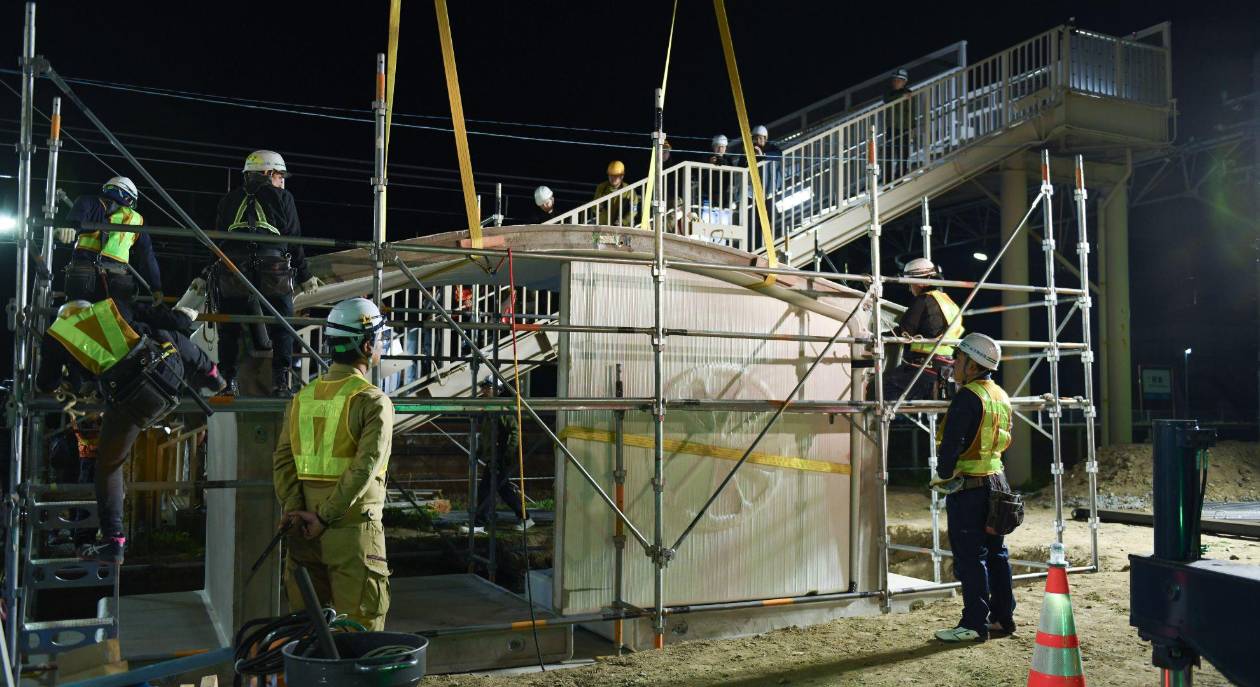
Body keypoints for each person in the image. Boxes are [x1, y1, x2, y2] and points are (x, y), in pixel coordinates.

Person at [35, 298, 226, 565]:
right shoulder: (114, 306)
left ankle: (114, 542)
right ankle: (213, 374)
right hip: (168, 375)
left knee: (109, 466)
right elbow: (167, 320)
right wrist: (186, 317)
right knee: (164, 335)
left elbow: (46, 382)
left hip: (133, 401)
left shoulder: (57, 336)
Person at [272, 297, 394, 631]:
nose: (381, 345)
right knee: (357, 634)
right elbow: (363, 469)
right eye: (380, 339)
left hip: (302, 531)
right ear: (367, 345)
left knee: (311, 636)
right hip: (351, 533)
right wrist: (324, 517)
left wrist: (297, 509)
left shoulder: (303, 397)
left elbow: (283, 460)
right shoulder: (372, 401)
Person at [214, 150, 322, 397]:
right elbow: (293, 239)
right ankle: (281, 383)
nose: (282, 181)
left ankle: (227, 382)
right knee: (282, 323)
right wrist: (305, 275)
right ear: (266, 173)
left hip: (233, 270)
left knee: (229, 327)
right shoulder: (283, 198)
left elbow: (217, 242)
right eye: (279, 175)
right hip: (273, 269)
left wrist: (203, 274)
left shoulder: (228, 200)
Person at [931, 332, 1015, 643]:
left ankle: (974, 624)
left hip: (971, 489)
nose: (954, 364)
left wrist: (943, 473)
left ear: (973, 364)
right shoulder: (1000, 394)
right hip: (998, 482)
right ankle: (1002, 619)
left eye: (958, 359)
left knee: (970, 557)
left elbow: (952, 443)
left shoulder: (968, 397)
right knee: (997, 554)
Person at [60, 176, 162, 306]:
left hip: (84, 273)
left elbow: (75, 221)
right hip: (117, 280)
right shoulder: (136, 220)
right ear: (128, 197)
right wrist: (156, 287)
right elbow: (147, 256)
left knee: (77, 318)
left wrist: (70, 229)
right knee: (115, 321)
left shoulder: (88, 202)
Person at [882, 258, 963, 401]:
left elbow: (904, 333)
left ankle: (879, 422)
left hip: (924, 369)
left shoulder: (923, 300)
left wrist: (877, 337)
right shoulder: (949, 302)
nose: (909, 288)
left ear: (919, 282)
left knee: (881, 386)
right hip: (946, 371)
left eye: (910, 284)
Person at [463, 378, 532, 534]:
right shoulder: (490, 408)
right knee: (504, 490)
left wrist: (508, 453)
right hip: (494, 456)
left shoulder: (501, 408)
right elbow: (487, 435)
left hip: (499, 456)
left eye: (487, 388)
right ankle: (525, 517)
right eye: (483, 388)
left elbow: (515, 431)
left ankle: (480, 522)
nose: (483, 391)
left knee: (486, 490)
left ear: (497, 389)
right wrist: (480, 451)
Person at [881, 69, 917, 177]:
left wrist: (913, 127)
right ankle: (887, 180)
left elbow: (911, 112)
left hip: (905, 128)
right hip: (892, 128)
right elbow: (887, 99)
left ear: (904, 82)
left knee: (903, 155)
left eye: (899, 80)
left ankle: (899, 178)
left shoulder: (908, 93)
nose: (896, 82)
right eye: (895, 80)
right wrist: (902, 97)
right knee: (888, 155)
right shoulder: (889, 92)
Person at [594, 161, 639, 227]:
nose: (613, 178)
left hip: (623, 227)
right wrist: (598, 208)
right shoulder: (601, 188)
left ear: (622, 176)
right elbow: (594, 207)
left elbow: (633, 210)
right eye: (611, 175)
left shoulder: (629, 190)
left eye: (616, 176)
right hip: (604, 226)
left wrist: (623, 221)